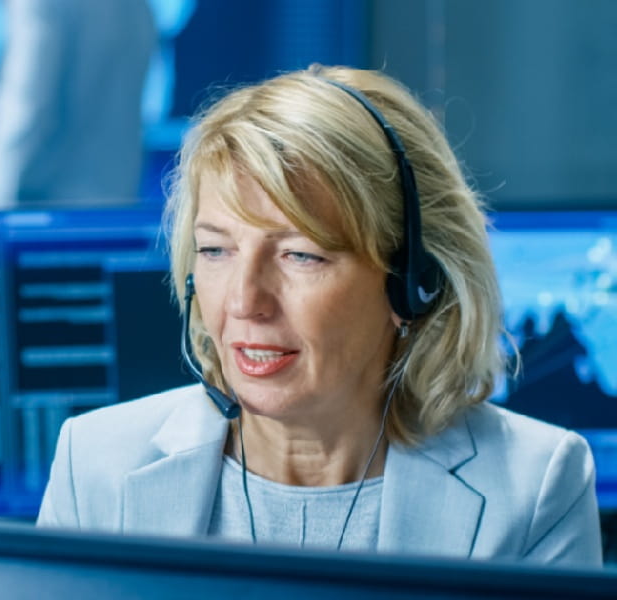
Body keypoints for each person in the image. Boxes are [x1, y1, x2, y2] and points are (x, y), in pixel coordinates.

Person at [37, 65, 602, 567]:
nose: (243, 302)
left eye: (300, 255)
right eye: (216, 250)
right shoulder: (95, 468)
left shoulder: (534, 486)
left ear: (414, 283)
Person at [0, 0, 157, 208]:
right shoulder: (137, 5)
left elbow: (24, 114)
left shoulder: (38, 5)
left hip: (46, 218)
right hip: (116, 204)